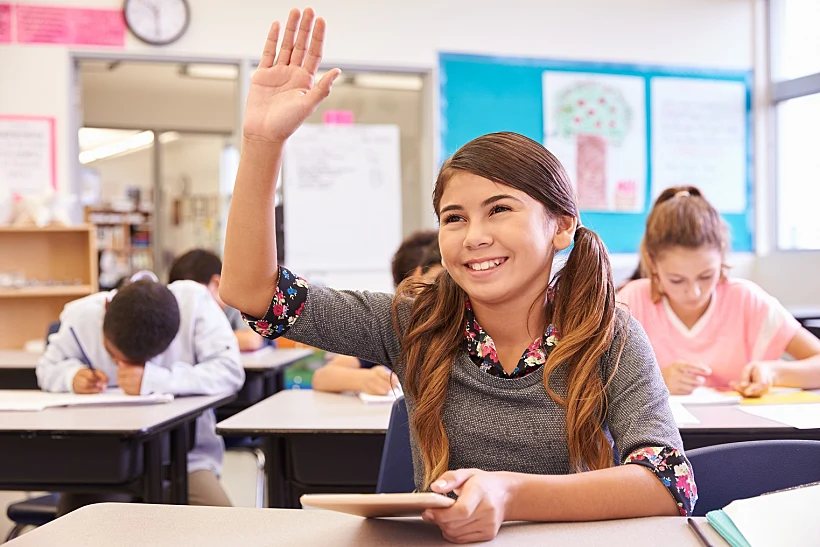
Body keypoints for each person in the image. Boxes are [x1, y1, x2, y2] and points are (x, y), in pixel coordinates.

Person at [219, 9, 694, 543]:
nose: (474, 236)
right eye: (454, 218)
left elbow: (668, 483)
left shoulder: (609, 335)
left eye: (500, 210)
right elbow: (253, 293)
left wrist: (509, 493)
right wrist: (262, 144)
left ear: (561, 226)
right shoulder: (414, 321)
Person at [37, 275, 245, 513]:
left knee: (225, 527)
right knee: (76, 529)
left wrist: (154, 379)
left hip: (185, 460)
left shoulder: (195, 304)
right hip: (106, 459)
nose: (123, 367)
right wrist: (71, 376)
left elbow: (230, 372)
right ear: (106, 310)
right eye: (114, 357)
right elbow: (46, 368)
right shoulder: (81, 316)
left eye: (139, 363)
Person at [618, 186, 820, 397]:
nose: (694, 292)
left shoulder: (746, 299)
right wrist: (656, 381)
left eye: (706, 276)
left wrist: (773, 372)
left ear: (722, 255)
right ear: (652, 262)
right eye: (676, 280)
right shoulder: (631, 301)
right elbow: (592, 378)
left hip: (740, 429)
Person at [312, 233, 440, 395]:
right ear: (417, 276)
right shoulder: (393, 328)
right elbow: (322, 377)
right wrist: (366, 379)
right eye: (435, 282)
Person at [168, 249, 265, 352]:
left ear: (216, 284)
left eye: (195, 294)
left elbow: (251, 340)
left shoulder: (237, 304)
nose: (189, 301)